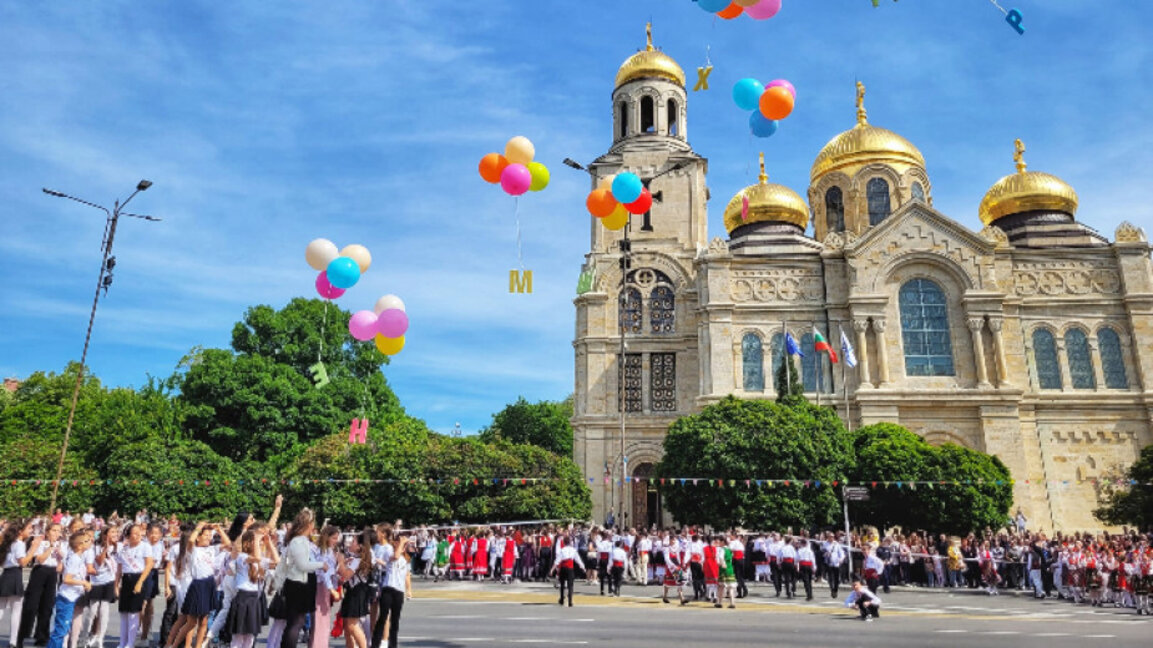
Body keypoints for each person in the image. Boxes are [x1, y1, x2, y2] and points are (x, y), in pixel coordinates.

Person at [280, 510, 325, 648]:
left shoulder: (301, 540)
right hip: (298, 584)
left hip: (301, 583)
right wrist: (321, 565)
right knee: (295, 622)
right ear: (309, 524)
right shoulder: (299, 541)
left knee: (296, 622)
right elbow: (303, 565)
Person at [19, 522, 65, 648]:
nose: (56, 533)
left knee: (47, 606)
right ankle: (22, 635)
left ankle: (42, 636)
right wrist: (50, 547)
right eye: (54, 530)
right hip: (40, 571)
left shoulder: (61, 545)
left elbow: (60, 567)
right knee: (31, 605)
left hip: (52, 573)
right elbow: (40, 559)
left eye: (58, 531)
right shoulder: (41, 542)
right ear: (48, 532)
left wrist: (60, 558)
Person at [47, 532, 92, 648]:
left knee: (63, 628)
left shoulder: (78, 558)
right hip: (66, 598)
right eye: (87, 541)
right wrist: (83, 583)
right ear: (79, 545)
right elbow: (67, 579)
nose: (90, 542)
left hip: (70, 597)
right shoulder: (75, 559)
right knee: (61, 629)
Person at [117, 524, 157, 648]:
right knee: (124, 612)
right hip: (126, 579)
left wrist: (140, 582)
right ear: (128, 535)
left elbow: (149, 565)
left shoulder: (145, 546)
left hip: (138, 577)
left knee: (134, 612)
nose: (138, 535)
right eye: (134, 533)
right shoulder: (123, 549)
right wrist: (116, 585)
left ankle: (130, 643)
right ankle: (122, 642)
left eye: (139, 532)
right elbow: (119, 569)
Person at [376, 534, 411, 648]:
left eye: (404, 545)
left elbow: (407, 575)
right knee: (382, 618)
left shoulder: (405, 559)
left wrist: (409, 590)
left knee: (395, 621)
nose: (402, 546)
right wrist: (401, 542)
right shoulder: (390, 553)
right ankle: (375, 644)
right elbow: (395, 556)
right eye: (399, 543)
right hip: (388, 589)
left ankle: (393, 645)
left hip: (399, 591)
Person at [549, 537, 582, 607]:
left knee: (562, 584)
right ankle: (570, 601)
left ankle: (562, 599)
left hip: (563, 568)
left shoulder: (562, 550)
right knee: (570, 585)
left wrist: (552, 569)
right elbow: (578, 559)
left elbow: (557, 561)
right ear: (570, 542)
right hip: (570, 568)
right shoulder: (573, 550)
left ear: (564, 543)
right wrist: (582, 566)